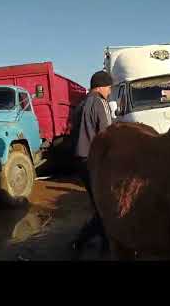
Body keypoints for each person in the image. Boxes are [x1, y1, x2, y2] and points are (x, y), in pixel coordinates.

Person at [70, 70, 113, 259]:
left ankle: (105, 243)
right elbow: (107, 134)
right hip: (95, 160)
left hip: (81, 160)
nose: (110, 92)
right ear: (102, 86)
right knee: (104, 205)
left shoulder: (80, 105)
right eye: (109, 87)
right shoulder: (100, 102)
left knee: (99, 204)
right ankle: (82, 241)